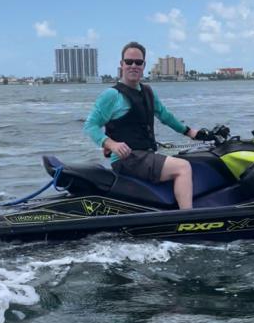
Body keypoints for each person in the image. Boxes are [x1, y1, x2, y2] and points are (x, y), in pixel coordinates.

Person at [84, 42, 199, 209]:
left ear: (144, 65)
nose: (133, 66)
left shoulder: (148, 92)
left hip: (144, 156)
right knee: (183, 167)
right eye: (128, 62)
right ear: (121, 64)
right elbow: (90, 125)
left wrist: (190, 132)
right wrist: (111, 144)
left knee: (192, 159)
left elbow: (165, 116)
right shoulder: (112, 95)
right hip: (127, 159)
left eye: (138, 62)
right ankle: (188, 218)